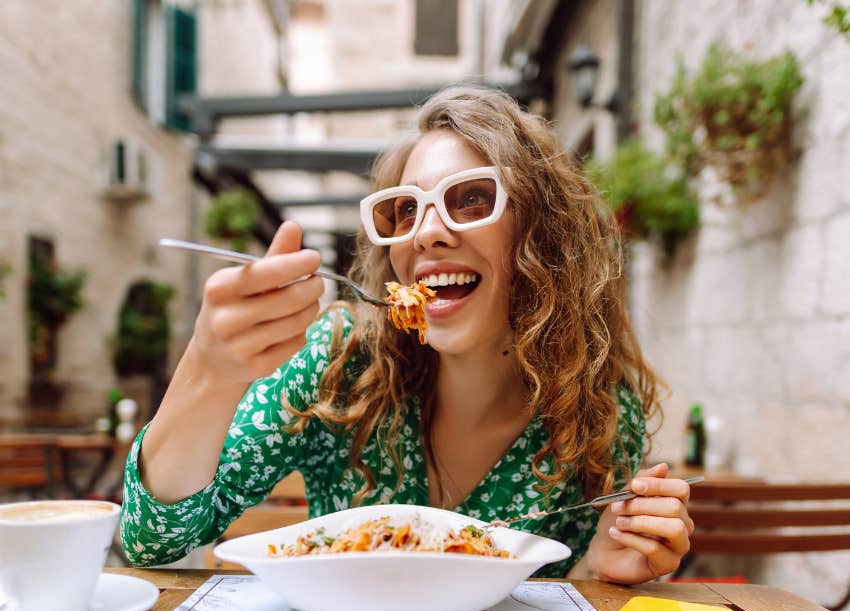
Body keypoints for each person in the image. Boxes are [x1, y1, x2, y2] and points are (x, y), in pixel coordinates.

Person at [121, 84, 694, 584]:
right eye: (403, 210)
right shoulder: (341, 362)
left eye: (472, 198)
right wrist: (208, 371)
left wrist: (600, 567)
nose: (427, 233)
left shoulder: (598, 416)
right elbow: (153, 543)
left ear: (544, 236)